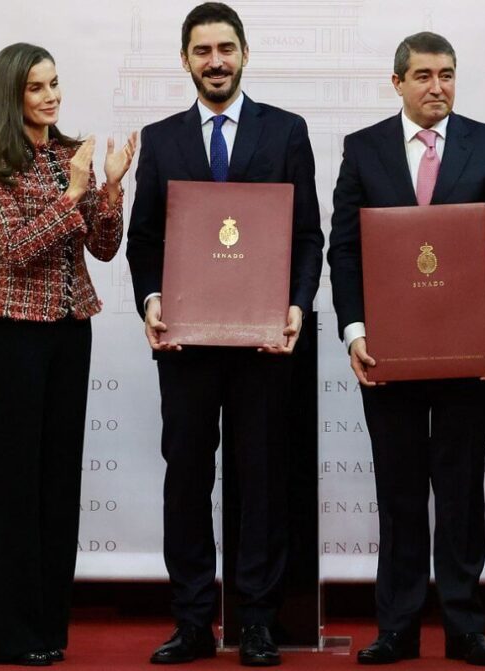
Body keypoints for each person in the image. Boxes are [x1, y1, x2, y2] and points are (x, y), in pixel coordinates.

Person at [125, 2, 323, 666]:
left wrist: (297, 304)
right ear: (185, 59)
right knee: (186, 477)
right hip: (185, 341)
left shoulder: (287, 131)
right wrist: (152, 300)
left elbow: (307, 236)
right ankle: (189, 619)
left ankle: (257, 619)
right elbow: (144, 238)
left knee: (260, 478)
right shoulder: (161, 139)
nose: (216, 61)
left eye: (226, 49)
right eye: (203, 50)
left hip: (264, 341)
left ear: (244, 54)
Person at [327, 31, 485, 667]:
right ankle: (398, 628)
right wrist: (355, 332)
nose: (436, 86)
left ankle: (466, 626)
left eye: (446, 74)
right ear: (397, 83)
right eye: (422, 76)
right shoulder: (362, 151)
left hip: (470, 353)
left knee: (463, 492)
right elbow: (346, 251)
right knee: (400, 492)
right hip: (389, 355)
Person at [0, 42, 135, 666]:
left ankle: (50, 630)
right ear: (12, 97)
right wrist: (72, 194)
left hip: (70, 332)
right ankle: (13, 637)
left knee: (59, 483)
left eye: (55, 83)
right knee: (17, 485)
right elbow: (15, 248)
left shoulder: (73, 154)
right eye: (37, 88)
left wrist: (110, 189)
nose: (51, 96)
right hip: (15, 334)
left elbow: (104, 248)